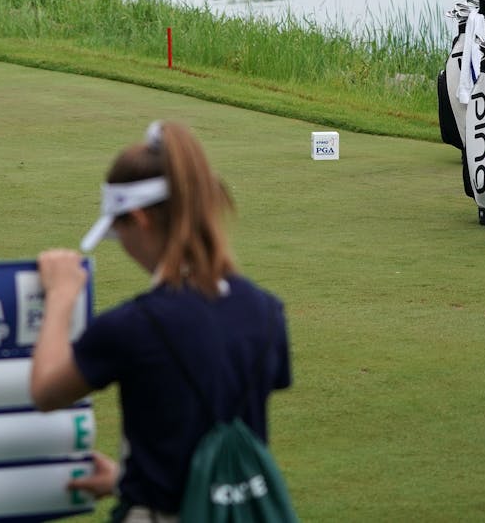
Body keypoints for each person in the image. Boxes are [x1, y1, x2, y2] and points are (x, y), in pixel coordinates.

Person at [30, 120, 291, 520]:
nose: (120, 243)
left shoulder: (133, 326)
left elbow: (46, 391)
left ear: (140, 219)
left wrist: (61, 298)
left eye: (118, 229)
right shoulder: (266, 311)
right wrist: (125, 478)